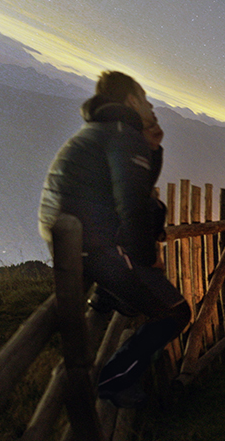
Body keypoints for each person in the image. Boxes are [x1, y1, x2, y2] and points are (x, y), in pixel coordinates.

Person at [38, 71, 191, 408]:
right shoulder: (123, 134)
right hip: (91, 243)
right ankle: (113, 382)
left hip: (75, 237)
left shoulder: (106, 130)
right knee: (175, 313)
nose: (152, 106)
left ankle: (112, 293)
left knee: (156, 207)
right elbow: (132, 205)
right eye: (146, 97)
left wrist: (154, 148)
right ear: (132, 101)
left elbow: (137, 188)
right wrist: (147, 258)